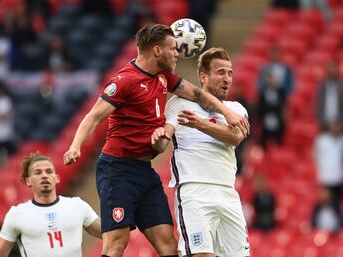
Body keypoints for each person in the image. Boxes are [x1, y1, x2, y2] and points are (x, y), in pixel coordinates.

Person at [63, 24, 249, 257]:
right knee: (116, 243)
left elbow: (198, 94)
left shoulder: (165, 78)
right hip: (117, 169)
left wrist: (227, 112)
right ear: (158, 51)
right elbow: (93, 117)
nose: (178, 54)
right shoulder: (124, 81)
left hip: (144, 171)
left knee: (168, 246)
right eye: (173, 48)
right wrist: (75, 146)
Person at [151, 47, 250, 257]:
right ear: (203, 76)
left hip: (228, 192)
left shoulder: (236, 109)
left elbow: (235, 137)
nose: (227, 79)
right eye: (221, 72)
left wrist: (200, 124)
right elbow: (162, 142)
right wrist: (159, 138)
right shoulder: (178, 104)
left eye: (230, 73)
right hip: (194, 192)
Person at [0, 152, 101, 257]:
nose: (44, 176)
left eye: (49, 171)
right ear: (28, 181)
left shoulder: (77, 205)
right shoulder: (16, 214)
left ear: (56, 178)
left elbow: (108, 233)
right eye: (38, 172)